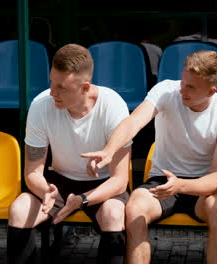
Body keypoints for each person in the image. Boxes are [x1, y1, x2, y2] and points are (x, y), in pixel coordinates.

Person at [82, 50, 217, 264]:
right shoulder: (166, 90)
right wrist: (109, 149)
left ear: (211, 91)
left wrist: (181, 186)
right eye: (183, 82)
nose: (182, 90)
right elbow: (134, 122)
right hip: (162, 181)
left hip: (202, 187)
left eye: (191, 87)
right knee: (135, 207)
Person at [7, 44, 131, 264]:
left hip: (102, 184)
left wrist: (82, 200)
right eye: (51, 82)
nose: (53, 92)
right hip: (58, 184)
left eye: (61, 87)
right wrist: (45, 190)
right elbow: (32, 172)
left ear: (85, 88)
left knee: (113, 214)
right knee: (19, 209)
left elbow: (120, 181)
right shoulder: (41, 105)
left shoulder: (113, 106)